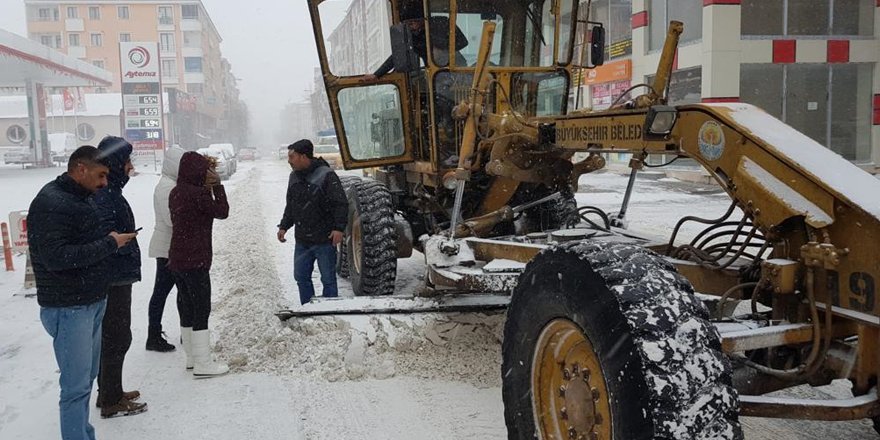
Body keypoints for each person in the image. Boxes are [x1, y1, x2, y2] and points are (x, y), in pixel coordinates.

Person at [28, 145, 137, 440]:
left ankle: (83, 433)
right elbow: (57, 258)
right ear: (81, 169)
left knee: (85, 382)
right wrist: (110, 243)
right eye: (101, 176)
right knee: (75, 389)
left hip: (90, 301)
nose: (104, 183)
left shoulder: (80, 198)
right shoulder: (52, 203)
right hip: (68, 307)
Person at [93, 136, 147, 419]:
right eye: (127, 160)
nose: (130, 166)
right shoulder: (105, 196)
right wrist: (121, 242)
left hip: (115, 275)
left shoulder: (109, 191)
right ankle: (111, 399)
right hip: (112, 277)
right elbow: (103, 239)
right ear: (116, 163)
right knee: (116, 337)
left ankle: (111, 391)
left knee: (114, 336)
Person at [169, 151, 230, 377]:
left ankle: (191, 359)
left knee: (185, 306)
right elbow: (222, 212)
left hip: (177, 258)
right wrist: (218, 187)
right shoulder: (199, 195)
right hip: (196, 259)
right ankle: (204, 363)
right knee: (201, 308)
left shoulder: (175, 193)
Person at [277, 139, 347, 305]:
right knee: (301, 277)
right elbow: (291, 205)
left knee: (328, 279)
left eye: (292, 157)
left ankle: (330, 311)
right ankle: (307, 309)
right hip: (302, 240)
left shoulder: (326, 175)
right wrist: (284, 226)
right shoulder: (294, 177)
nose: (289, 160)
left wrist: (339, 228)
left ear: (303, 156)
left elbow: (341, 203)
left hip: (324, 239)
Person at [145, 145, 186, 352]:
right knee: (162, 293)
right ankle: (153, 335)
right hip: (166, 248)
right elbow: (172, 220)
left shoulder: (171, 184)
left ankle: (184, 332)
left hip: (172, 247)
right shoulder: (166, 188)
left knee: (179, 292)